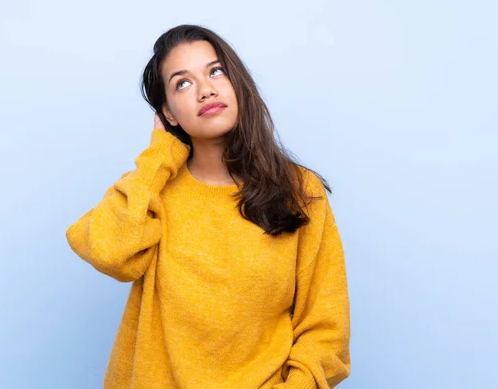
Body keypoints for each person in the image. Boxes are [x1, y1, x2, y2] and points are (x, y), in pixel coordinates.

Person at [66, 24, 350, 389]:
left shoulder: (299, 190)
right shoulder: (151, 191)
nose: (206, 90)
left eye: (216, 71)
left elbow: (327, 330)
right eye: (182, 83)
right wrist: (158, 157)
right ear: (168, 114)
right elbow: (109, 253)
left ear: (237, 83)